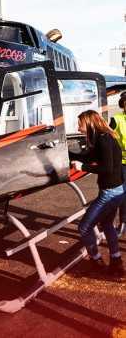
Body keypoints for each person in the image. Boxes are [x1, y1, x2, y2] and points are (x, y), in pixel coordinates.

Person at [69, 110, 125, 278]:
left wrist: (82, 168)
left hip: (110, 192)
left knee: (84, 227)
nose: (78, 128)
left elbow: (106, 168)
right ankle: (116, 261)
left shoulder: (104, 140)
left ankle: (96, 261)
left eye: (80, 124)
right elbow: (87, 157)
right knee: (107, 225)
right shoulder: (103, 138)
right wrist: (64, 152)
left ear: (89, 123)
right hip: (117, 190)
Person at [110, 91, 126, 236]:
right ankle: (122, 223)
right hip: (122, 163)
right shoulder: (117, 119)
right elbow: (108, 138)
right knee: (121, 194)